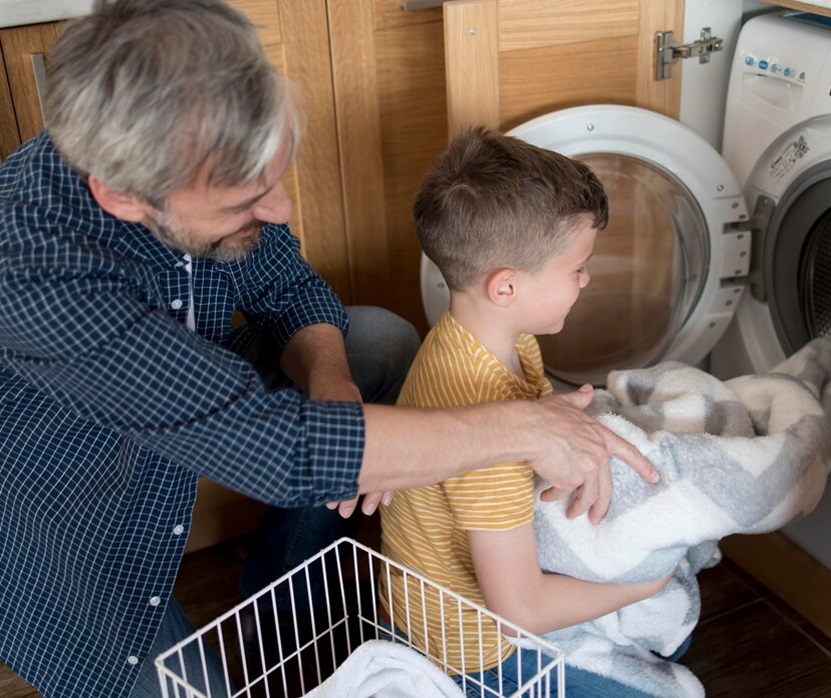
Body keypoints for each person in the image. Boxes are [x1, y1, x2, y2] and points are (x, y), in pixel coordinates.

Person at [0, 2, 659, 697]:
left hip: (194, 384)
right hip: (47, 502)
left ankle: (287, 608)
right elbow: (276, 450)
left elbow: (288, 287)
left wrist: (334, 387)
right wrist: (526, 426)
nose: (280, 209)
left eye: (274, 177)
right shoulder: (34, 273)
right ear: (125, 197)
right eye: (245, 201)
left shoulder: (188, 157)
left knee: (373, 341)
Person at [379, 127, 673, 698]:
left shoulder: (475, 341)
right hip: (475, 649)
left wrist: (560, 414)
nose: (586, 279)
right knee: (667, 672)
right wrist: (644, 585)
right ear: (506, 287)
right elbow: (521, 610)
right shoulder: (489, 438)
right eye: (577, 268)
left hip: (421, 597)